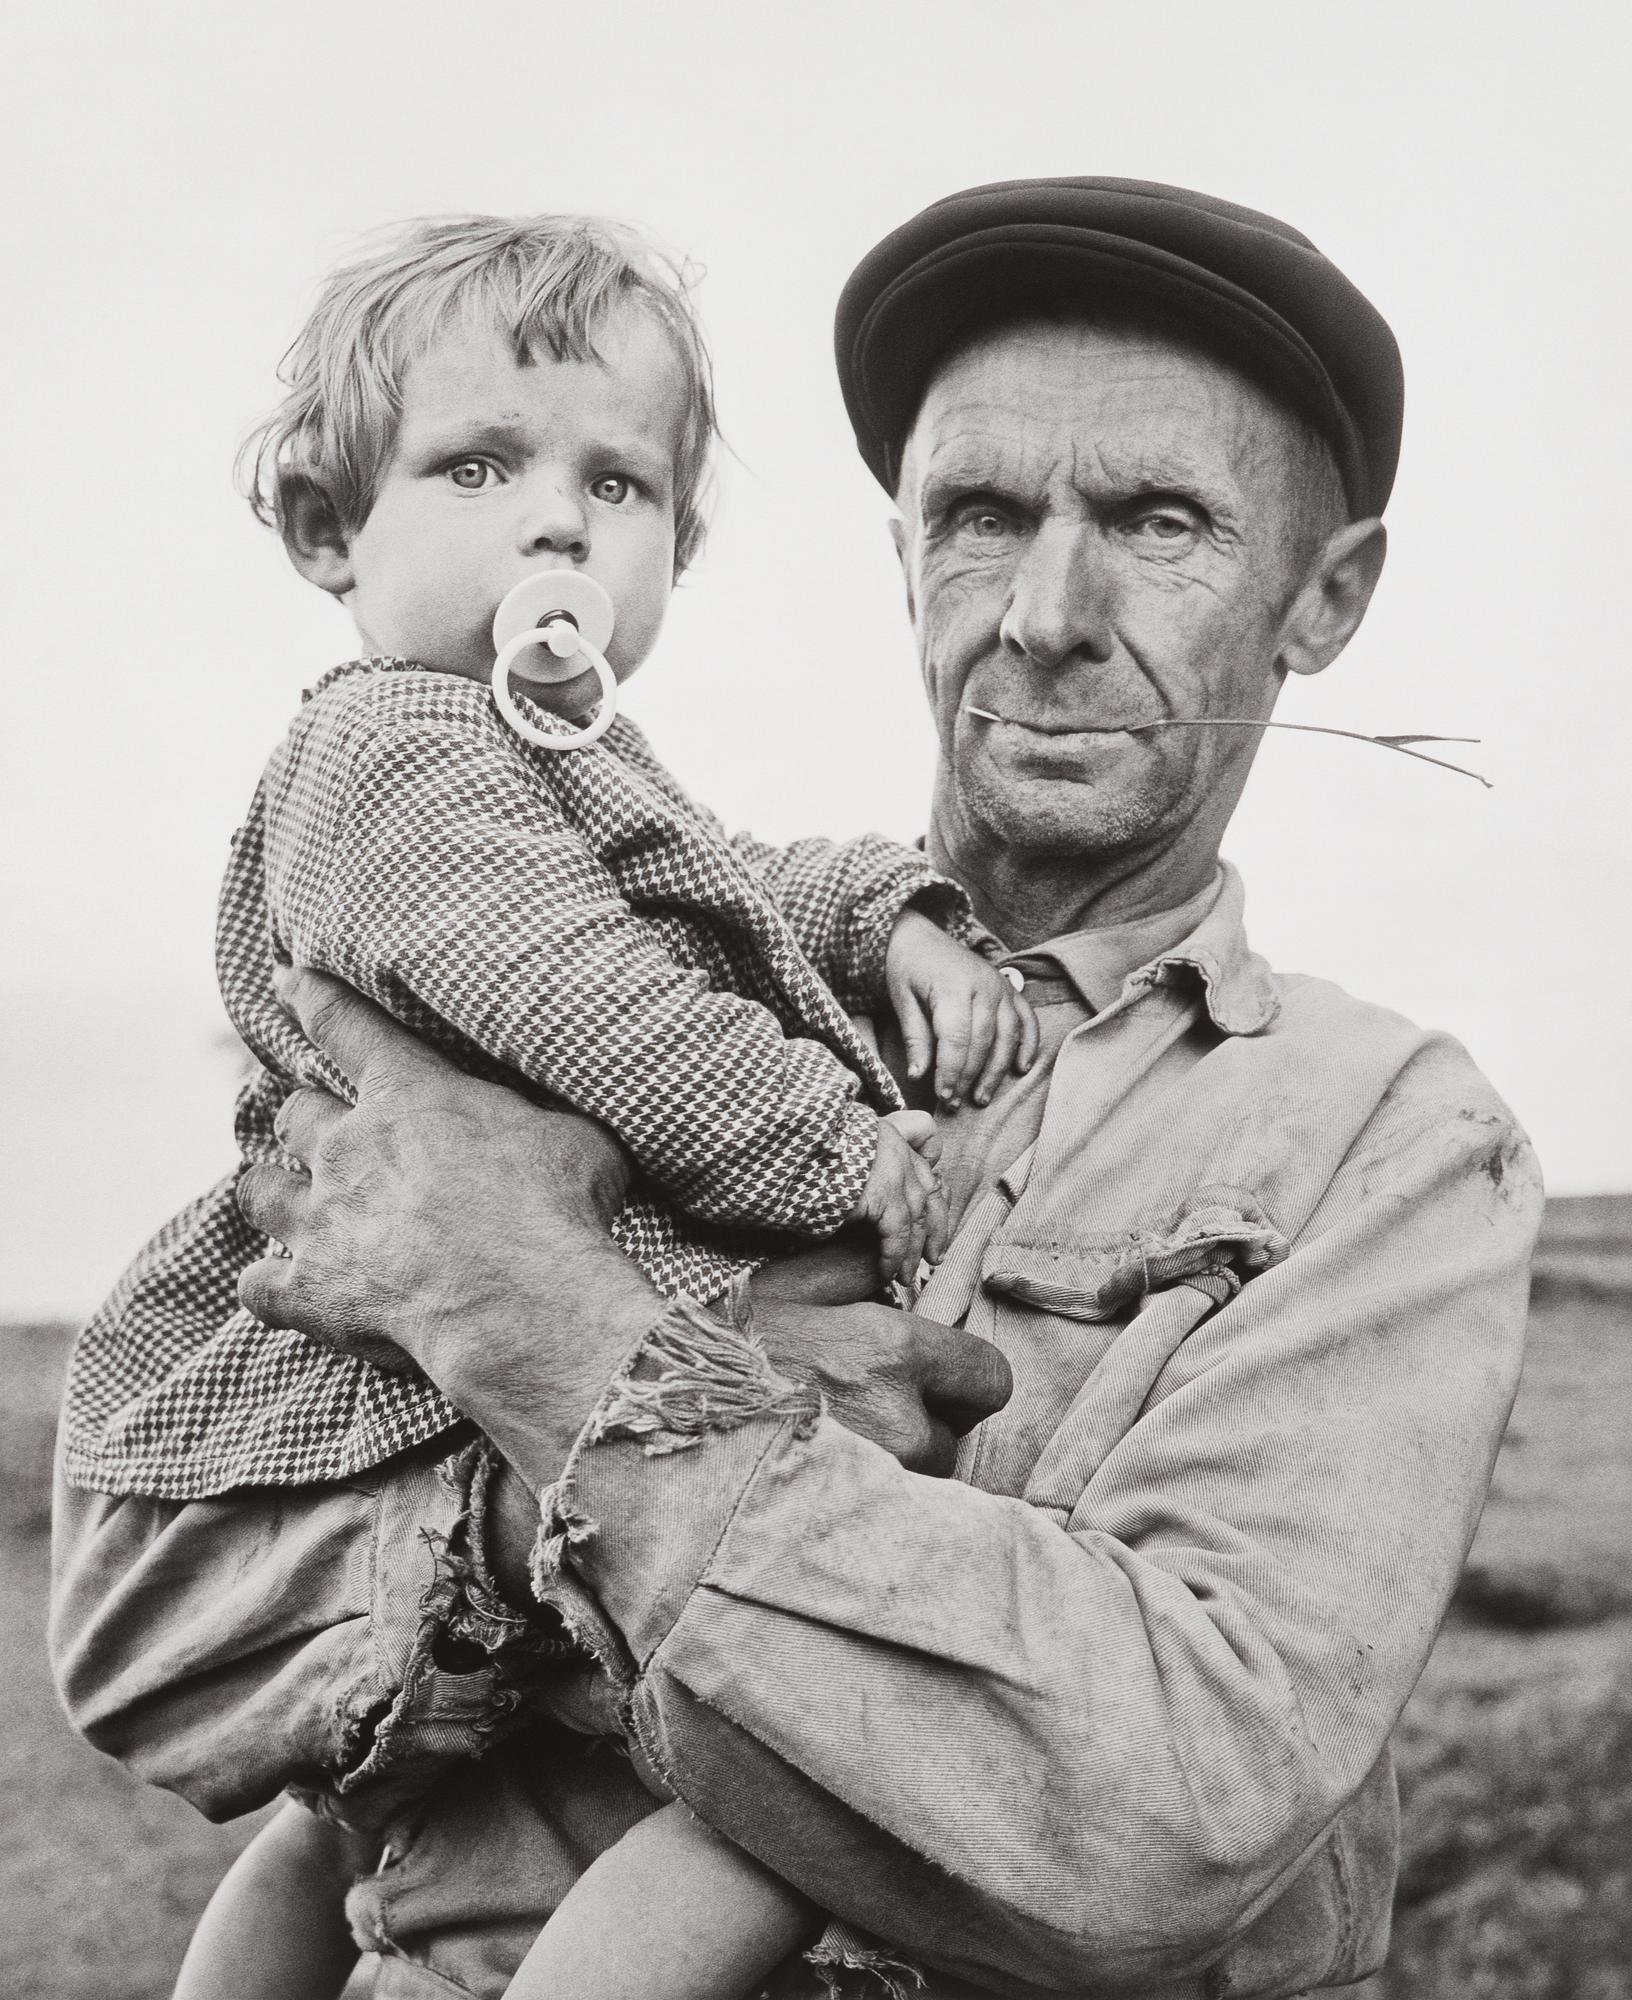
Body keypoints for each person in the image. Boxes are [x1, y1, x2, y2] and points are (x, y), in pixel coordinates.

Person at [52, 178, 1542, 2000]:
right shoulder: (637, 959)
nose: (1050, 614)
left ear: (1325, 600)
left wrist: (543, 1327)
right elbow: (138, 1644)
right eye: (983, 515)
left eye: (1161, 523)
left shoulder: (1387, 1138)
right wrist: (603, 1458)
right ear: (902, 557)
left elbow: (1167, 1808)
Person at [57, 211, 1039, 2000]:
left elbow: (717, 884)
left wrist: (893, 907)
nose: (557, 521)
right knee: (789, 1751)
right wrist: (837, 1144)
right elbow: (587, 1001)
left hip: (498, 1387)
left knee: (372, 1816)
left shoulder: (559, 758)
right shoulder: (395, 752)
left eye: (622, 484)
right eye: (480, 466)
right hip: (387, 1400)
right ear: (327, 532)